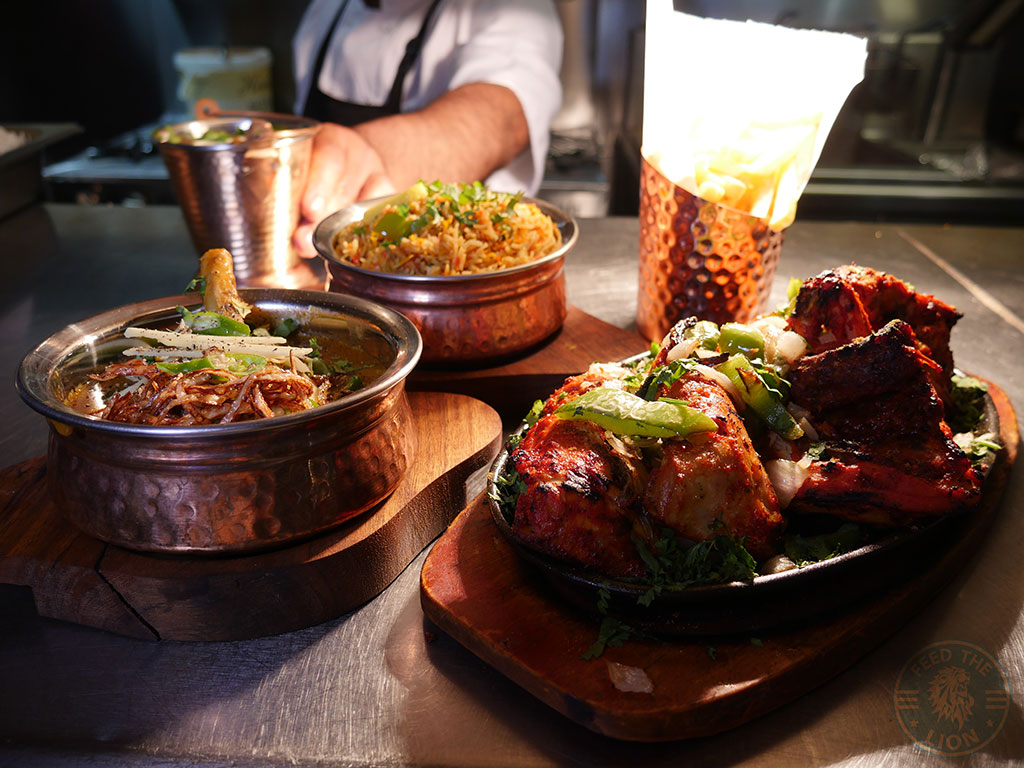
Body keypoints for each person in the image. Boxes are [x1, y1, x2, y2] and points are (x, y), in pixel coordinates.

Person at [291, 0, 564, 257]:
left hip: (457, 271)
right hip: (318, 260)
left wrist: (359, 157)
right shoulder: (328, 8)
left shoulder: (514, 10)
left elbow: (495, 119)